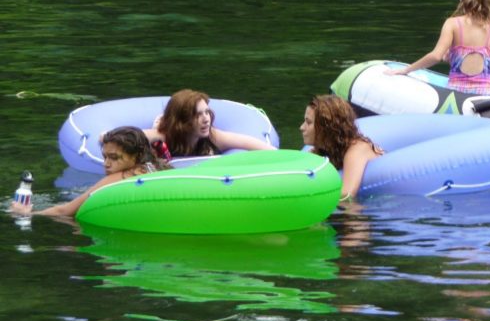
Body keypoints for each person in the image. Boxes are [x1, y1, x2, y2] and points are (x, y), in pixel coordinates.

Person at [10, 126, 170, 219]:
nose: (106, 164)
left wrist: (28, 214)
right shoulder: (160, 167)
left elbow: (65, 211)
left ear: (137, 155)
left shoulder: (120, 177)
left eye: (114, 158)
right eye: (105, 157)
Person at [387, 0, 490, 95]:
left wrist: (407, 70)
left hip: (458, 91)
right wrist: (455, 57)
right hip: (485, 91)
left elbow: (436, 56)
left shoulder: (452, 23)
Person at [145, 89, 275, 160]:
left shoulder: (213, 137)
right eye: (198, 115)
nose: (206, 119)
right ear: (182, 121)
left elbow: (251, 143)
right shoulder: (163, 136)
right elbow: (128, 138)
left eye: (207, 112)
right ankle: (159, 122)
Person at [302, 95, 384, 201]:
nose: (302, 127)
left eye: (308, 122)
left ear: (327, 127)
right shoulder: (320, 152)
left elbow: (347, 196)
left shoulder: (357, 149)